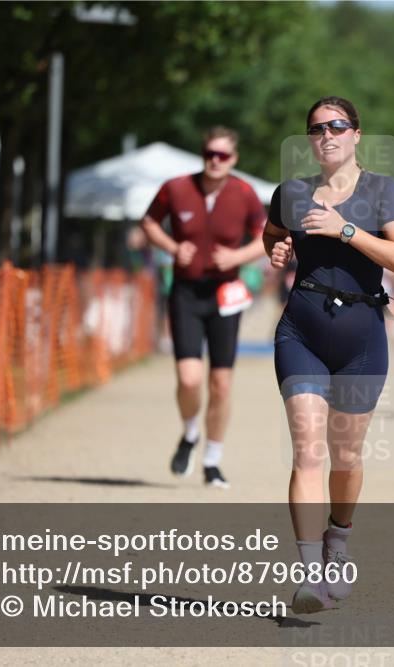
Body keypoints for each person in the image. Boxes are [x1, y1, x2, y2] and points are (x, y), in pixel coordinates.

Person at [261, 96, 394, 613]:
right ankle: (307, 575)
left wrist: (347, 231)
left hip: (362, 338)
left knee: (346, 457)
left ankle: (338, 540)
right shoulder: (292, 192)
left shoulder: (383, 191)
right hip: (300, 331)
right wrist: (277, 249)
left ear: (355, 133)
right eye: (316, 128)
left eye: (336, 126)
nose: (326, 134)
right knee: (307, 451)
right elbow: (273, 234)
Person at [131, 126, 266, 489]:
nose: (215, 161)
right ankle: (190, 433)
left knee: (221, 384)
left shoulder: (244, 193)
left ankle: (212, 460)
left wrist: (238, 255)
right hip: (186, 293)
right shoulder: (176, 188)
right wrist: (173, 248)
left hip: (225, 294)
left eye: (222, 155)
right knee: (189, 379)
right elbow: (148, 223)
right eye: (209, 153)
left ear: (233, 159)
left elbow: (267, 237)